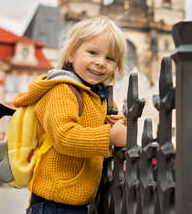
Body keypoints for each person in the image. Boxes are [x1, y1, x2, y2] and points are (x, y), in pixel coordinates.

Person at [13, 16, 128, 214]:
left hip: (80, 202)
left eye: (109, 58)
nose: (100, 62)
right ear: (72, 54)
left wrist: (120, 122)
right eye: (92, 53)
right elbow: (64, 137)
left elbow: (115, 123)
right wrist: (109, 135)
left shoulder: (98, 95)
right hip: (52, 203)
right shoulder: (62, 90)